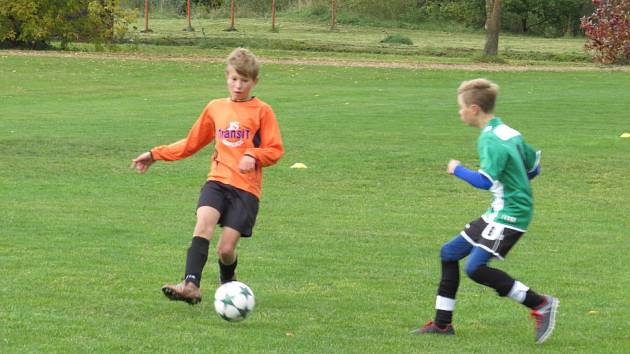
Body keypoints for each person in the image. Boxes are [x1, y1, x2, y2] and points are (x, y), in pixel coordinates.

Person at [131, 48, 284, 305]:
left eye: (244, 81)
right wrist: (154, 154)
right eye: (234, 79)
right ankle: (190, 285)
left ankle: (228, 280)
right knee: (203, 224)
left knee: (225, 249)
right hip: (217, 180)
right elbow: (191, 143)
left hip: (246, 189)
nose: (238, 85)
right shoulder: (215, 108)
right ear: (226, 76)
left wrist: (254, 155)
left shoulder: (262, 111)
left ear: (254, 82)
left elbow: (276, 149)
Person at [412, 78, 558, 344]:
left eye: (461, 107)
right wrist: (515, 185)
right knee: (449, 253)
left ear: (475, 109)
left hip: (511, 214)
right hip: (501, 209)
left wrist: (457, 168)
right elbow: (533, 167)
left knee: (476, 268)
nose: (459, 112)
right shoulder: (508, 131)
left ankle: (542, 303)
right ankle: (442, 325)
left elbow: (484, 181)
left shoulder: (490, 140)